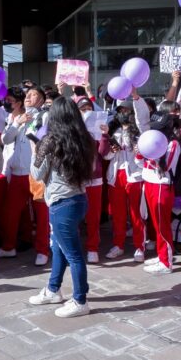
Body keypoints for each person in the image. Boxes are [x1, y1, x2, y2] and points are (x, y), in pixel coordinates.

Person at [28, 96, 95, 318]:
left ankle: (80, 300)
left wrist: (34, 148)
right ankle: (53, 289)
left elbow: (37, 174)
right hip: (78, 200)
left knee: (73, 254)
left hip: (61, 204)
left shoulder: (50, 141)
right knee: (58, 248)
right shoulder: (85, 139)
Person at [103, 93, 149, 262]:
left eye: (126, 109)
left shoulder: (140, 129)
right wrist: (110, 151)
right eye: (120, 109)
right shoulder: (112, 131)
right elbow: (106, 157)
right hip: (116, 175)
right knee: (118, 214)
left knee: (136, 213)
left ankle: (139, 246)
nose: (123, 112)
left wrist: (136, 97)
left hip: (135, 175)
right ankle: (118, 245)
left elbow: (143, 116)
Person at [137, 112, 181, 274]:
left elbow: (166, 167)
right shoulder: (151, 140)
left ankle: (166, 262)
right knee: (156, 224)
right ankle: (161, 254)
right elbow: (140, 163)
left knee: (163, 225)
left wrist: (150, 154)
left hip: (161, 186)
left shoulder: (173, 144)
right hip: (149, 183)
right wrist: (140, 152)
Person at [0, 87, 34, 260]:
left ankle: (28, 240)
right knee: (13, 210)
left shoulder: (33, 117)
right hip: (14, 171)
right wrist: (17, 123)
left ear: (19, 102)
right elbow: (5, 139)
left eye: (10, 101)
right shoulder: (10, 118)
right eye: (6, 101)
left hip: (31, 172)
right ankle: (10, 245)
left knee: (29, 211)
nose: (6, 104)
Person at [77, 96, 110, 263]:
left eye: (88, 109)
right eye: (82, 110)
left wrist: (104, 135)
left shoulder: (99, 129)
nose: (86, 112)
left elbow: (103, 153)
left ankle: (92, 248)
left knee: (93, 216)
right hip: (76, 179)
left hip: (94, 179)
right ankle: (74, 249)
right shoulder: (73, 129)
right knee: (74, 215)